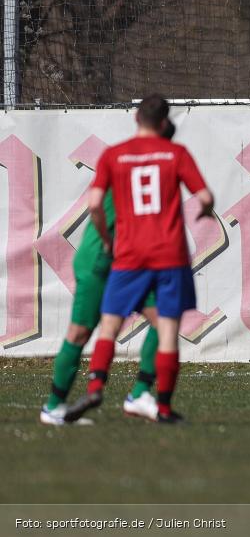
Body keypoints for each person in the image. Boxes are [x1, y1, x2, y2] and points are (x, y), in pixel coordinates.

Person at [65, 94, 213, 424]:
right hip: (169, 255)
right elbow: (204, 197)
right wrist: (204, 211)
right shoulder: (176, 153)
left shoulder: (113, 156)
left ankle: (96, 383)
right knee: (168, 330)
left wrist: (106, 238)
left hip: (129, 254)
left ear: (136, 118)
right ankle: (160, 405)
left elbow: (93, 204)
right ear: (164, 123)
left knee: (109, 326)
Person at [38, 122, 178, 426]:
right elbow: (97, 207)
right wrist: (106, 240)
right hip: (100, 262)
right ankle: (53, 406)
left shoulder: (142, 166)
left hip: (128, 263)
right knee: (80, 332)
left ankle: (139, 394)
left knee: (165, 319)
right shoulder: (135, 167)